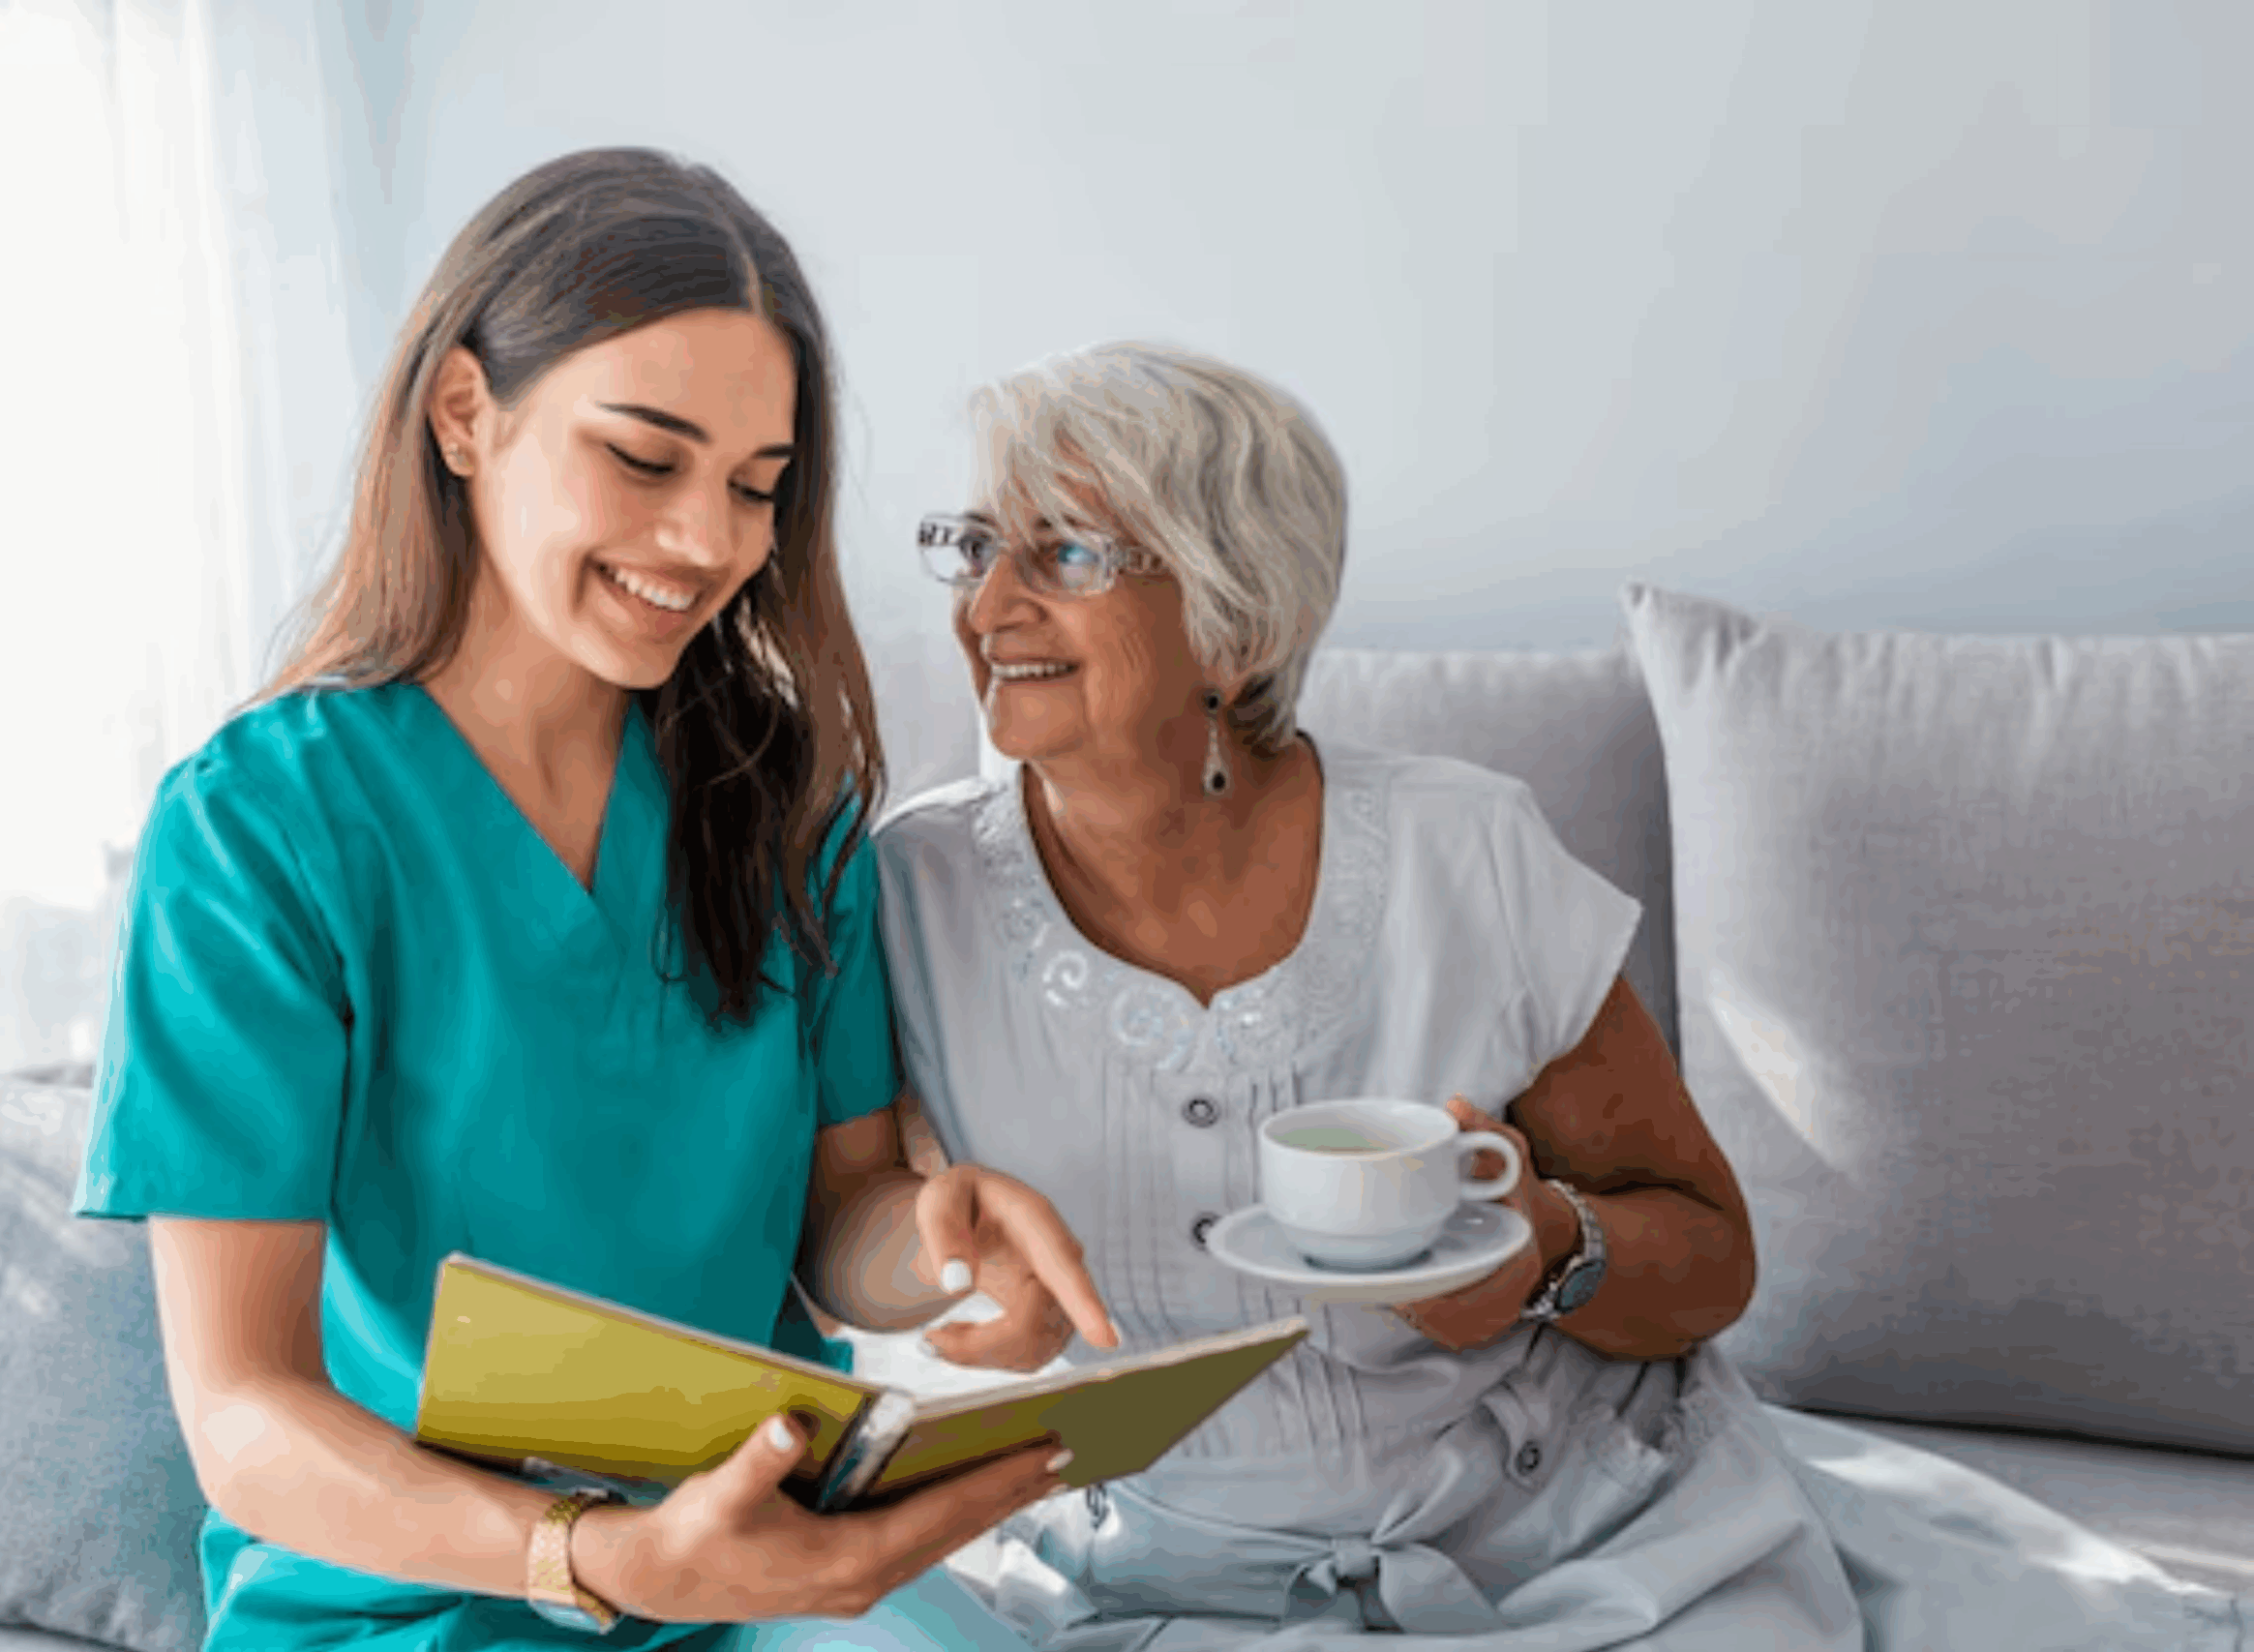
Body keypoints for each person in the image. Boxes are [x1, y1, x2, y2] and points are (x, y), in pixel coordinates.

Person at [873, 341, 2231, 1649]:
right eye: (978, 543)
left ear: (1238, 621)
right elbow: (838, 1227)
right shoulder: (906, 896)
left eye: (1065, 552)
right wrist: (937, 1261)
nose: (989, 606)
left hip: (1584, 1551)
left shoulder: (1465, 851)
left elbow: (1712, 1251)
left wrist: (1540, 1256)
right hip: (1180, 1592)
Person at [72, 148, 1116, 1652]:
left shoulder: (786, 802)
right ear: (463, 412)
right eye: (644, 457)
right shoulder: (256, 830)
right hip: (408, 1604)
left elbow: (842, 1224)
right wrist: (603, 1555)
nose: (708, 542)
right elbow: (244, 1409)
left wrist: (943, 1247)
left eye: (758, 489)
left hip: (758, 1574)